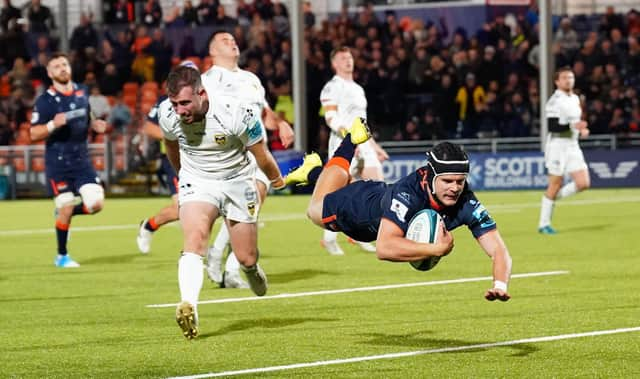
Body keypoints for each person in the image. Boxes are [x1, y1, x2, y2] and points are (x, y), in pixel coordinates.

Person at [286, 120, 512, 302]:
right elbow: (384, 248)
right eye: (448, 181)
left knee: (339, 182)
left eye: (460, 181)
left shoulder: (465, 201)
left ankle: (316, 172)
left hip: (377, 194)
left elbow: (499, 250)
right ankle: (345, 144)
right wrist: (436, 249)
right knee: (315, 209)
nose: (455, 188)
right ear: (430, 176)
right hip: (357, 210)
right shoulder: (409, 194)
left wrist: (500, 285)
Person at [162, 65, 285, 339]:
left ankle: (250, 270)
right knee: (194, 239)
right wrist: (183, 176)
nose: (179, 110)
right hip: (198, 180)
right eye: (174, 103)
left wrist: (276, 180)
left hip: (237, 182)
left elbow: (261, 155)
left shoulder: (236, 112)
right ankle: (188, 304)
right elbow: (171, 145)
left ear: (202, 93)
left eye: (185, 103)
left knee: (246, 256)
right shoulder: (167, 114)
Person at [201, 30, 295, 288]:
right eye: (224, 40)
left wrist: (280, 123)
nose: (231, 42)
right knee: (242, 208)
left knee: (252, 203)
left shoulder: (251, 79)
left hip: (257, 150)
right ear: (212, 51)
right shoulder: (207, 81)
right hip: (229, 155)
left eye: (233, 39)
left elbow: (264, 112)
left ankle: (227, 265)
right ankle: (221, 258)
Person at [29, 52, 108, 268]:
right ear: (49, 73)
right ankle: (62, 256)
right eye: (57, 66)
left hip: (82, 161)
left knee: (95, 204)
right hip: (58, 163)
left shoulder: (82, 91)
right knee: (65, 205)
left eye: (64, 64)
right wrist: (53, 125)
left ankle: (65, 214)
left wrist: (95, 125)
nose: (62, 69)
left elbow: (87, 116)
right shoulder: (45, 101)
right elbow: (33, 134)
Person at [318, 46, 389, 255]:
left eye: (350, 57)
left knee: (376, 187)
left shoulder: (358, 88)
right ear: (334, 64)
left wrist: (374, 146)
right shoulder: (332, 87)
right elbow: (330, 117)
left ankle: (365, 234)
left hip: (363, 143)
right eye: (343, 58)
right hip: (343, 143)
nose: (348, 60)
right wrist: (350, 140)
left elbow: (363, 123)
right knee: (338, 192)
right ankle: (329, 238)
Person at [538, 67, 590, 234]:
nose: (569, 80)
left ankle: (550, 199)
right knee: (555, 183)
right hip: (557, 147)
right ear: (557, 82)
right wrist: (573, 126)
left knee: (583, 183)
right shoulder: (554, 101)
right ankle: (543, 224)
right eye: (565, 78)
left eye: (571, 77)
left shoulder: (575, 98)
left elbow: (576, 121)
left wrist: (581, 130)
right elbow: (552, 126)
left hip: (573, 145)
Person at [135, 95, 180, 254]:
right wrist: (175, 137)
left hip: (201, 160)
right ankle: (149, 226)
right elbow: (149, 127)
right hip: (175, 160)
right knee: (181, 209)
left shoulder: (204, 98)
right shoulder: (165, 102)